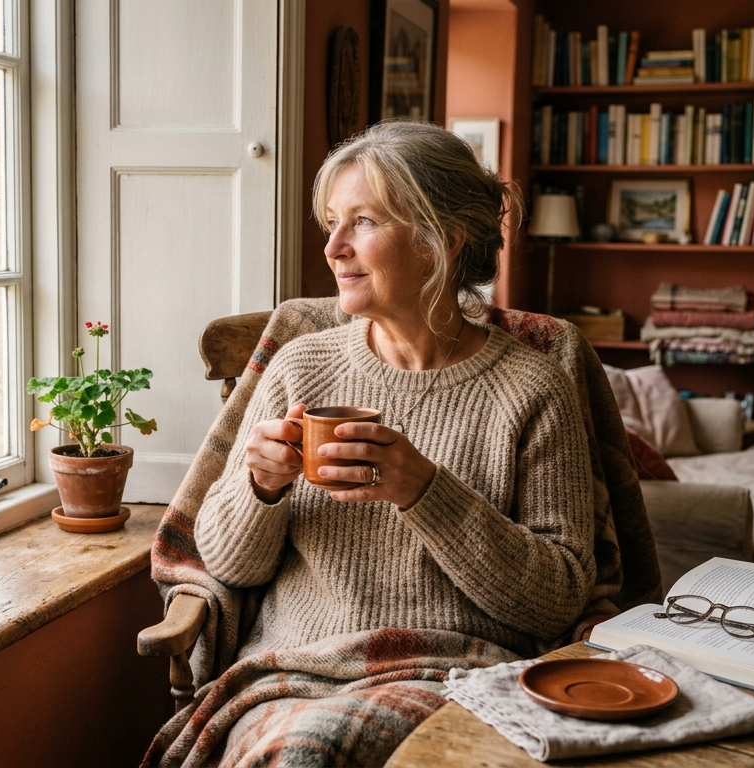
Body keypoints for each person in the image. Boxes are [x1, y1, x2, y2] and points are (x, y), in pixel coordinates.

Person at [148, 121, 600, 767]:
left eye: (362, 222)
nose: (333, 247)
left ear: (441, 240)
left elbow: (556, 597)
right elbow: (231, 567)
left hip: (460, 675)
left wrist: (424, 489)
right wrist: (261, 487)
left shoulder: (532, 386)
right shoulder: (301, 367)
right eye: (331, 222)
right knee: (306, 750)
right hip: (296, 670)